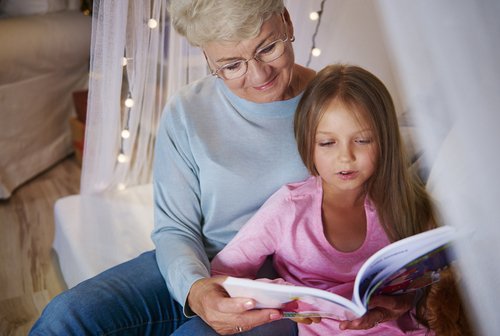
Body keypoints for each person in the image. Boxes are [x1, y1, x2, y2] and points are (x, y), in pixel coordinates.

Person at [30, 1, 417, 335]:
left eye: (268, 48)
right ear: (207, 59)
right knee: (65, 319)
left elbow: (387, 201)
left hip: (297, 286)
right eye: (231, 65)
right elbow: (174, 228)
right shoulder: (187, 112)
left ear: (287, 21)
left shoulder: (337, 106)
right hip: (206, 263)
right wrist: (196, 289)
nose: (259, 75)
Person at [208, 64, 439, 335]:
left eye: (362, 140)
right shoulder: (289, 208)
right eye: (328, 143)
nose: (346, 157)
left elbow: (427, 282)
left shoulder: (406, 202)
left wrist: (403, 301)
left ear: (384, 141)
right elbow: (224, 273)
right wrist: (287, 301)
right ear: (308, 144)